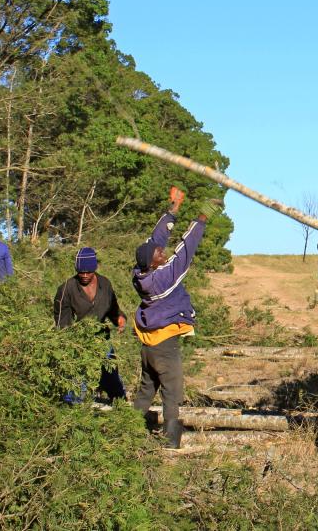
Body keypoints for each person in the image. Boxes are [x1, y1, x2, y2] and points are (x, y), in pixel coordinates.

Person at [130, 186, 223, 449]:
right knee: (172, 391)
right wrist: (203, 216)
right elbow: (186, 249)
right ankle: (171, 441)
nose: (164, 252)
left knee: (147, 389)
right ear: (154, 263)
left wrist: (173, 208)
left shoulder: (140, 273)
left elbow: (154, 240)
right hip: (164, 346)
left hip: (148, 346)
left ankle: (129, 431)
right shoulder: (162, 278)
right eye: (160, 255)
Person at [53, 247, 128, 401]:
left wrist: (119, 318)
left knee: (110, 372)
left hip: (102, 338)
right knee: (77, 376)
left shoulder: (105, 284)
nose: (85, 275)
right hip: (79, 340)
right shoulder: (67, 288)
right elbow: (62, 321)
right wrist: (69, 344)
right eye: (81, 272)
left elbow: (112, 307)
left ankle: (120, 405)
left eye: (89, 272)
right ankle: (72, 409)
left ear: (95, 269)